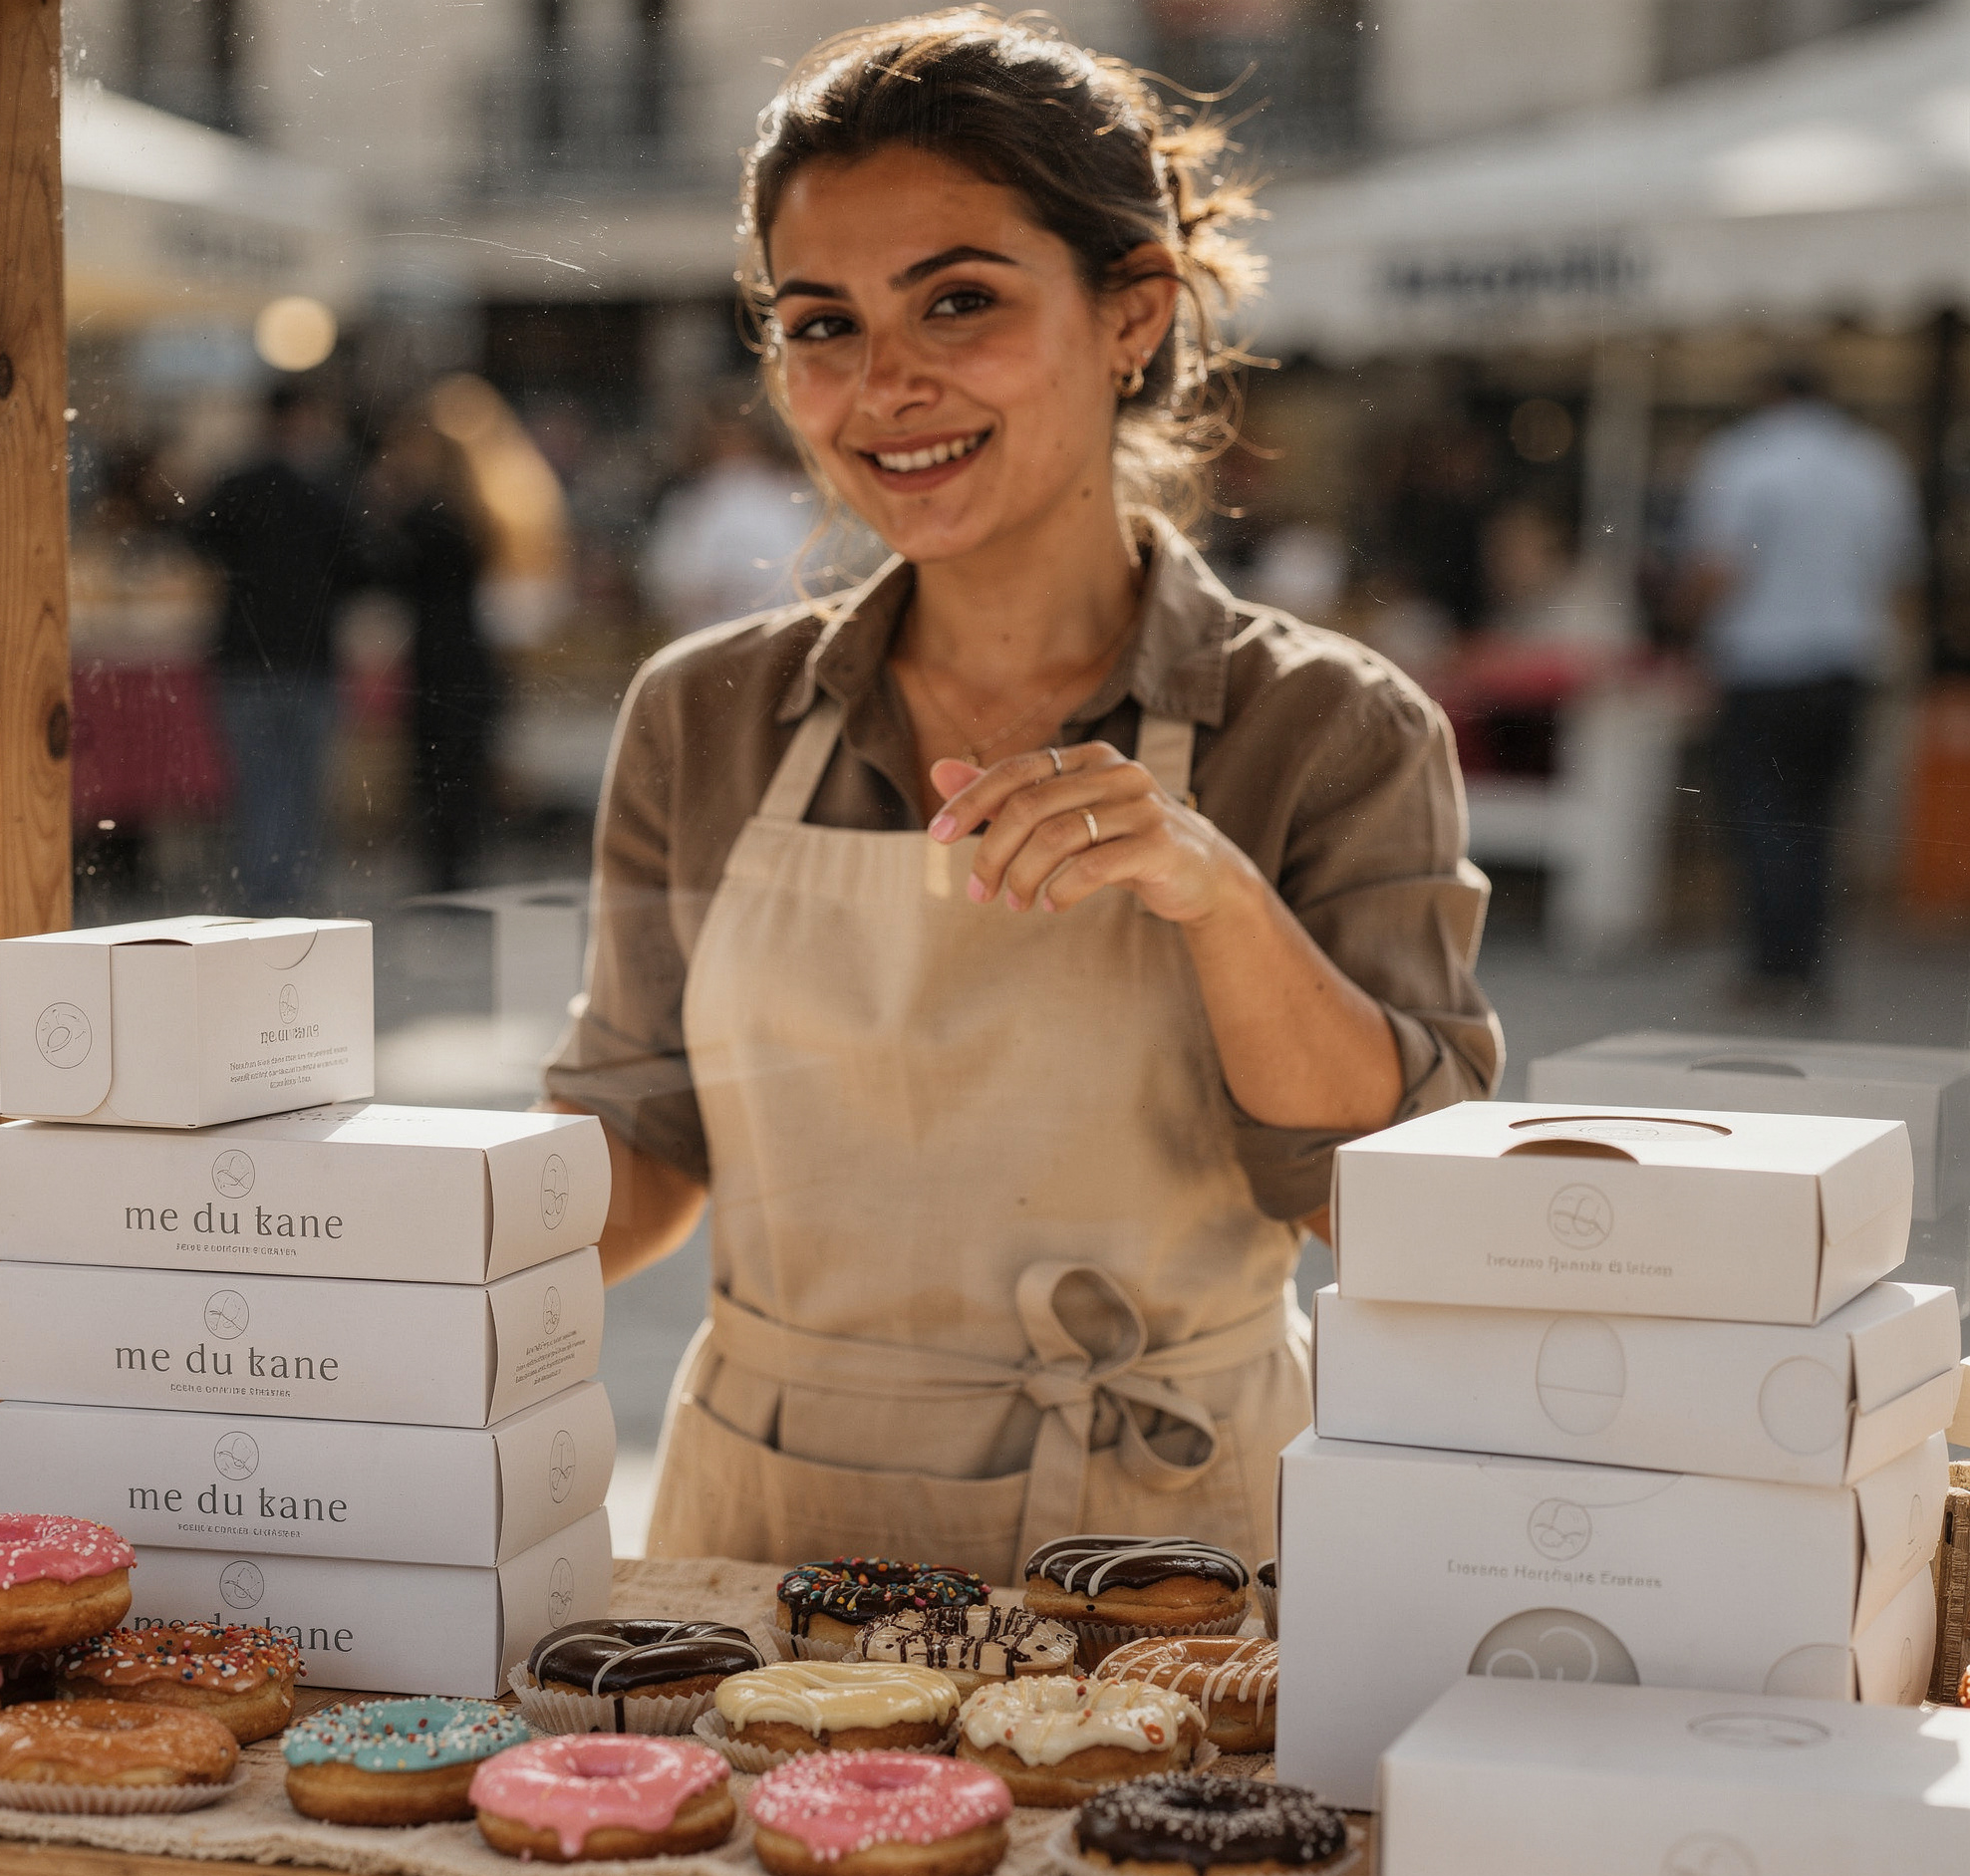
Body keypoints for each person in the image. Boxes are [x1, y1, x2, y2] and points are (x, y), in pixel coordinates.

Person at [543, 13, 1502, 1574]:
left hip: (1168, 1564)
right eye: (820, 325)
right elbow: (643, 1149)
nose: (884, 386)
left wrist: (1216, 894)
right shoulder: (703, 714)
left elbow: (1392, 1208)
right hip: (772, 1526)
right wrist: (359, 1283)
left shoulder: (1327, 727)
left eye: (960, 302)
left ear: (1132, 315)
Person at [1680, 363, 1922, 1007]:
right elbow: (1898, 574)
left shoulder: (1743, 458)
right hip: (1845, 664)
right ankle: (1809, 965)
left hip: (1763, 665)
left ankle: (1771, 966)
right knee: (1819, 816)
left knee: (1763, 815)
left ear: (1768, 395)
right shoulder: (1875, 463)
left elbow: (1717, 569)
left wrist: (1690, 631)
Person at [187, 385, 366, 914]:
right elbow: (361, 567)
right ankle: (289, 901)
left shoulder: (237, 486)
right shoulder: (328, 492)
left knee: (257, 788)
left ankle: (259, 899)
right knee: (301, 791)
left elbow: (194, 540)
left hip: (245, 660)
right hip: (310, 663)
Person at [368, 406, 503, 895]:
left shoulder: (428, 516)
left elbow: (385, 568)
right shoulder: (474, 513)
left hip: (437, 659)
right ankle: (458, 870)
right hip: (470, 654)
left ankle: (443, 874)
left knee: (435, 770)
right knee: (462, 772)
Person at [643, 391, 824, 636]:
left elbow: (813, 569)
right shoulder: (690, 502)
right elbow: (665, 578)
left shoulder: (790, 495)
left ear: (756, 438)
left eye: (737, 436)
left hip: (779, 637)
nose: (730, 447)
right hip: (705, 638)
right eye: (720, 437)